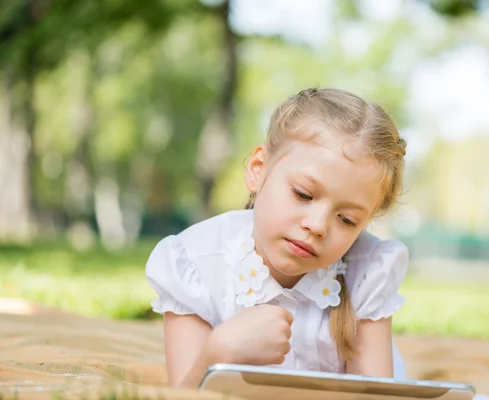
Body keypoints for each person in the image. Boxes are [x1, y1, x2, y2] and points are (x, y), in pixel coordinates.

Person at [145, 87, 409, 389]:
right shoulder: (195, 263)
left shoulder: (368, 271)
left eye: (347, 220)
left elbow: (373, 397)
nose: (318, 226)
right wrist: (218, 351)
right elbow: (185, 395)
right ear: (259, 170)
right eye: (303, 194)